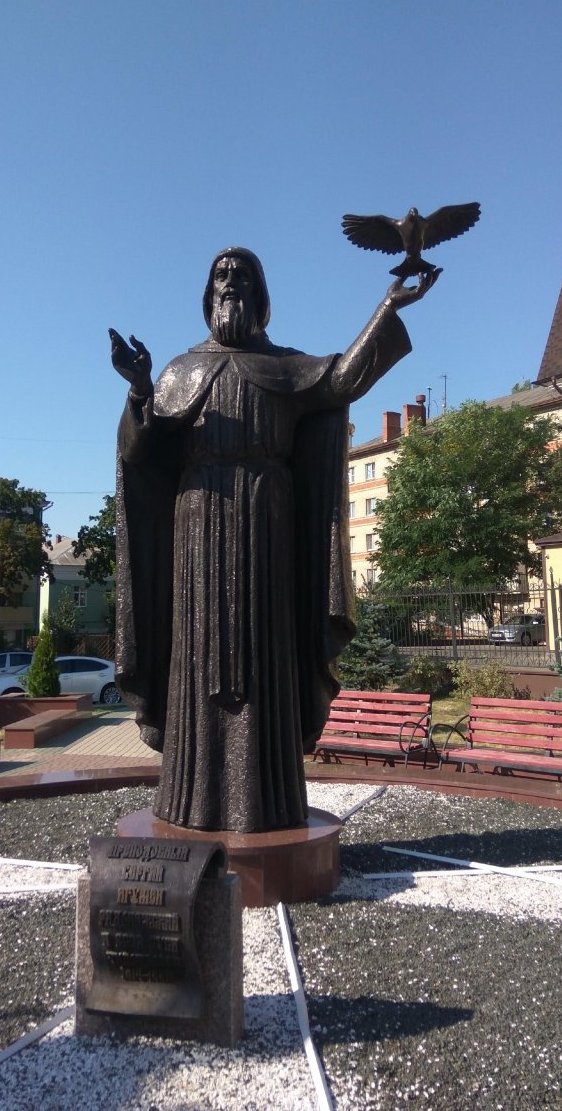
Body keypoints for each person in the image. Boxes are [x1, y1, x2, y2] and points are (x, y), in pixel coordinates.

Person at [111, 247, 437, 833]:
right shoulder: (178, 372)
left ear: (261, 296)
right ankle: (189, 799)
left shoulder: (286, 367)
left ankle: (267, 799)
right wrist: (139, 392)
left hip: (267, 523)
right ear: (207, 294)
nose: (229, 283)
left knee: (263, 651)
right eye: (220, 276)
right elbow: (141, 452)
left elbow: (341, 380)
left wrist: (388, 305)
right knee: (200, 652)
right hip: (196, 523)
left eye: (241, 276)